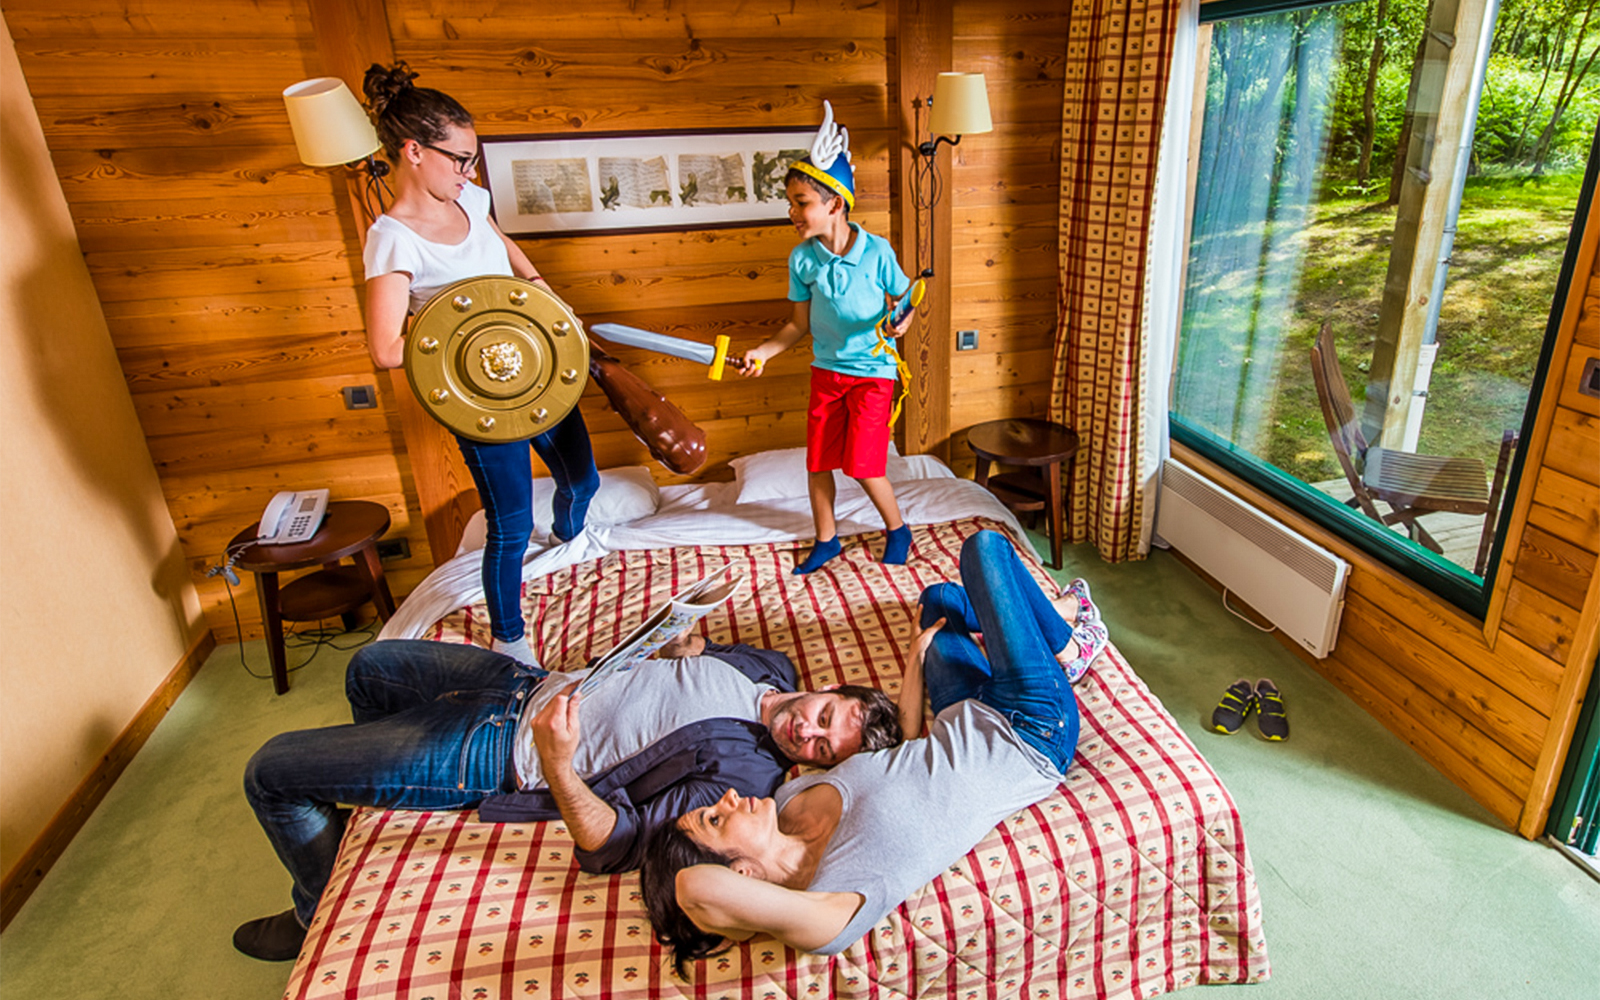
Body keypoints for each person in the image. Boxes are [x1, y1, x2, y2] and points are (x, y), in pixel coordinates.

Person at [232, 633, 900, 962]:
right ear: (831, 688)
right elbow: (688, 661)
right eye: (822, 718)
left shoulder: (745, 777)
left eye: (820, 752)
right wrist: (684, 643)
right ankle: (366, 779)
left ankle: (312, 909)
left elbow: (617, 844)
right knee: (368, 667)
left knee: (270, 773)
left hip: (499, 751)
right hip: (522, 682)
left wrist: (557, 761)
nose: (804, 734)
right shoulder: (769, 666)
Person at [639, 530, 1110, 974]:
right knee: (984, 550)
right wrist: (726, 913)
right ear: (740, 873)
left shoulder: (782, 800)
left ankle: (1042, 626)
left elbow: (899, 752)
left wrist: (914, 661)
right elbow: (695, 886)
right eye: (716, 821)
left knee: (939, 601)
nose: (724, 800)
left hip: (960, 711)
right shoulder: (829, 904)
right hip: (1031, 732)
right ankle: (1068, 646)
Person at [360, 62, 599, 666]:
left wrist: (542, 289)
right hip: (482, 402)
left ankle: (568, 541)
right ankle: (509, 638)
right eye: (460, 158)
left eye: (473, 159)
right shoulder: (393, 237)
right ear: (413, 151)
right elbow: (388, 348)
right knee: (511, 524)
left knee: (583, 480)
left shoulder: (471, 196)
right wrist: (469, 329)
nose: (469, 172)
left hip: (541, 377)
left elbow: (501, 246)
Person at [734, 101, 917, 574]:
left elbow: (907, 300)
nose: (792, 212)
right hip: (828, 374)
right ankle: (827, 539)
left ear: (834, 203)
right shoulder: (803, 260)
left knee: (862, 465)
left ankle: (898, 529)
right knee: (818, 462)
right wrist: (763, 352)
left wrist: (903, 321)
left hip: (874, 375)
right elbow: (797, 325)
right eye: (791, 203)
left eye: (802, 203)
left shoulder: (877, 251)